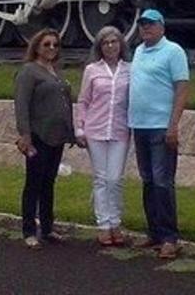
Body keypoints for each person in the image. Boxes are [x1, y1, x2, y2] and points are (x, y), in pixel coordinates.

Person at [127, 8, 190, 260]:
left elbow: (182, 88)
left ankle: (170, 237)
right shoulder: (139, 51)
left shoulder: (173, 51)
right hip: (139, 126)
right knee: (148, 180)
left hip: (160, 126)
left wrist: (173, 125)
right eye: (143, 24)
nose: (146, 28)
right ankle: (154, 232)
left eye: (151, 24)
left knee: (163, 181)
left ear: (162, 27)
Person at [13, 29, 75, 248]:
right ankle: (29, 230)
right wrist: (25, 135)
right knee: (34, 183)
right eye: (47, 44)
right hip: (39, 135)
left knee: (49, 183)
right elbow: (21, 104)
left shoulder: (54, 71)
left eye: (55, 45)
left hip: (56, 136)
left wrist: (71, 131)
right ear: (37, 46)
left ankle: (47, 228)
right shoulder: (29, 72)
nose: (51, 48)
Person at [74, 25, 131, 246]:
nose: (110, 46)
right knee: (100, 178)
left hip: (119, 129)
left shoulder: (130, 69)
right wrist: (80, 127)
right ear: (100, 46)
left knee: (115, 178)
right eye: (106, 43)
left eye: (114, 42)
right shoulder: (92, 70)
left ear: (120, 44)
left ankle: (115, 221)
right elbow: (84, 100)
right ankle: (104, 225)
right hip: (96, 129)